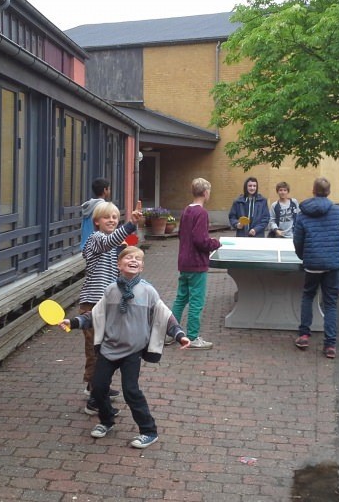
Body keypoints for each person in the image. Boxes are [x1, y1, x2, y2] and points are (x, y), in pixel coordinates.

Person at [62, 246, 191, 446]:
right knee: (98, 387)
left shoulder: (148, 291)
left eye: (138, 258)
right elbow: (95, 314)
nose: (133, 260)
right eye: (128, 257)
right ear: (119, 265)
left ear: (142, 266)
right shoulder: (111, 290)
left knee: (131, 390)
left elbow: (164, 315)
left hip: (133, 350)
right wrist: (73, 322)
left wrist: (179, 334)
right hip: (109, 348)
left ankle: (149, 431)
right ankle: (106, 421)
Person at [78, 202, 142, 415]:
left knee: (104, 350)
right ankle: (95, 400)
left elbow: (123, 260)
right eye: (107, 217)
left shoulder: (112, 242)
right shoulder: (96, 239)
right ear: (97, 221)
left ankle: (96, 387)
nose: (112, 220)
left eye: (115, 217)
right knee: (96, 351)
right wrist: (130, 224)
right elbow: (109, 241)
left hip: (107, 305)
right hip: (92, 304)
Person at [293, 177, 339, 359]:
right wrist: (338, 246)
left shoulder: (303, 213)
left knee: (308, 296)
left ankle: (304, 335)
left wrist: (303, 256)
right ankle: (330, 345)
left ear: (313, 190)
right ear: (328, 192)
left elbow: (297, 240)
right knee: (330, 303)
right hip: (333, 263)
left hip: (312, 262)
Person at [170, 178, 222, 351]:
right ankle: (192, 337)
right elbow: (201, 240)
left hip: (183, 262)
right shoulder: (201, 213)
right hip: (196, 264)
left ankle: (171, 332)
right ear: (206, 192)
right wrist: (215, 243)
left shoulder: (186, 210)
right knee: (196, 302)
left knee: (181, 299)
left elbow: (183, 235)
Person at [80, 178, 111, 251]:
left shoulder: (88, 205)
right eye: (109, 189)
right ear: (105, 190)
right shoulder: (104, 207)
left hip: (86, 246)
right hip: (99, 246)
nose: (110, 191)